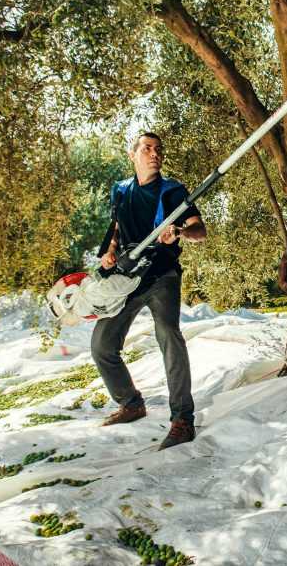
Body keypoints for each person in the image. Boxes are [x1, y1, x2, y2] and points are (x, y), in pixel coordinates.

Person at [91, 132, 206, 451]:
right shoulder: (121, 191)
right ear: (133, 155)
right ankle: (131, 404)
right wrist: (110, 251)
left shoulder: (172, 191)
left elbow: (200, 230)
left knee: (168, 333)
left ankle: (183, 419)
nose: (154, 154)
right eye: (147, 149)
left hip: (162, 274)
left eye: (158, 150)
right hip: (127, 279)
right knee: (102, 345)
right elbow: (115, 228)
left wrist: (179, 231)